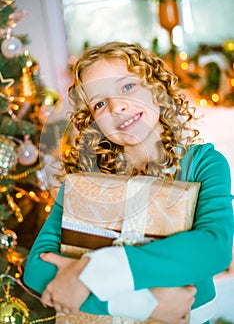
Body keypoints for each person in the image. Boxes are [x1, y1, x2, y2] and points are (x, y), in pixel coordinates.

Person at [23, 42, 233, 324]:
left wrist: (92, 271)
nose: (117, 106)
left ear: (156, 89)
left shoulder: (204, 164)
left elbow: (212, 248)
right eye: (99, 103)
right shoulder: (82, 182)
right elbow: (38, 269)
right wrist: (144, 305)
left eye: (127, 87)